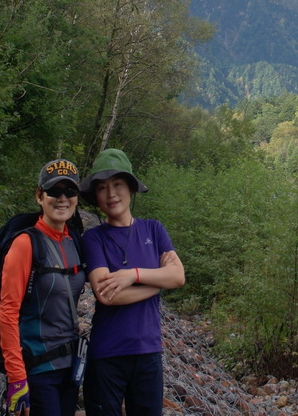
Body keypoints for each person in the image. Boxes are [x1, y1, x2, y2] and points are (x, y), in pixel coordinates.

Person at [79, 148, 185, 416]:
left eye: (117, 184)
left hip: (148, 352)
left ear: (131, 188)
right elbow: (107, 295)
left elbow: (178, 276)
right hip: (106, 354)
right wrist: (158, 283)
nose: (111, 194)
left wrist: (132, 275)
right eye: (102, 188)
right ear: (96, 196)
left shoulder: (153, 229)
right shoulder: (93, 238)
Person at [0, 159, 86, 416]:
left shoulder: (74, 241)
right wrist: (16, 377)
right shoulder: (26, 244)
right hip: (37, 369)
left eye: (69, 191)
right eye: (54, 191)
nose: (62, 198)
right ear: (39, 196)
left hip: (70, 367)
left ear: (77, 198)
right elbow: (7, 312)